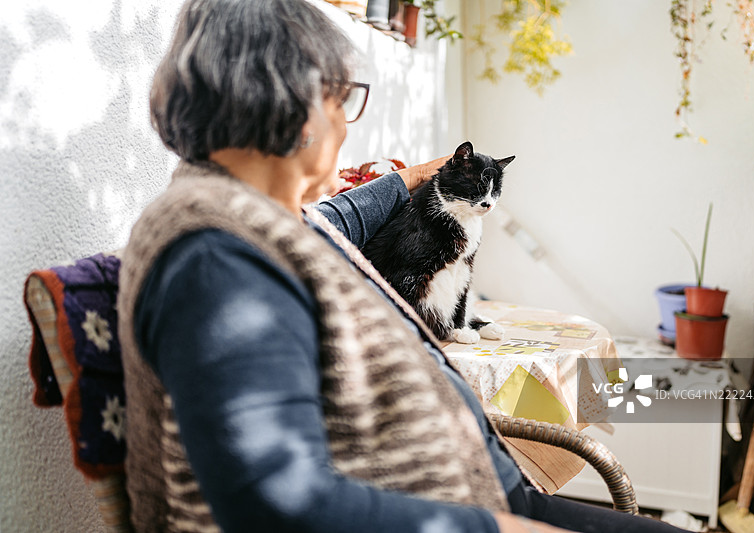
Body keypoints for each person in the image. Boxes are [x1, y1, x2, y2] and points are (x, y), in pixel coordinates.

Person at [118, 1, 689, 532]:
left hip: (472, 495)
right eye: (342, 100)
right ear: (287, 101)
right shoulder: (216, 258)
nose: (347, 125)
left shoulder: (263, 218)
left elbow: (339, 220)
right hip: (463, 514)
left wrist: (415, 176)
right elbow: (273, 501)